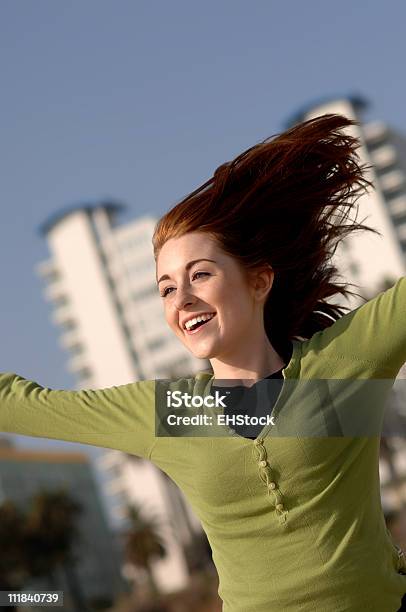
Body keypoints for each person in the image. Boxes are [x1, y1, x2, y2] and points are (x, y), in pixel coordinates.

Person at [1, 114, 406, 611]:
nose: (182, 299)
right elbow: (19, 405)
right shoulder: (168, 413)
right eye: (167, 288)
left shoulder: (340, 366)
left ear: (258, 282)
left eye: (200, 275)